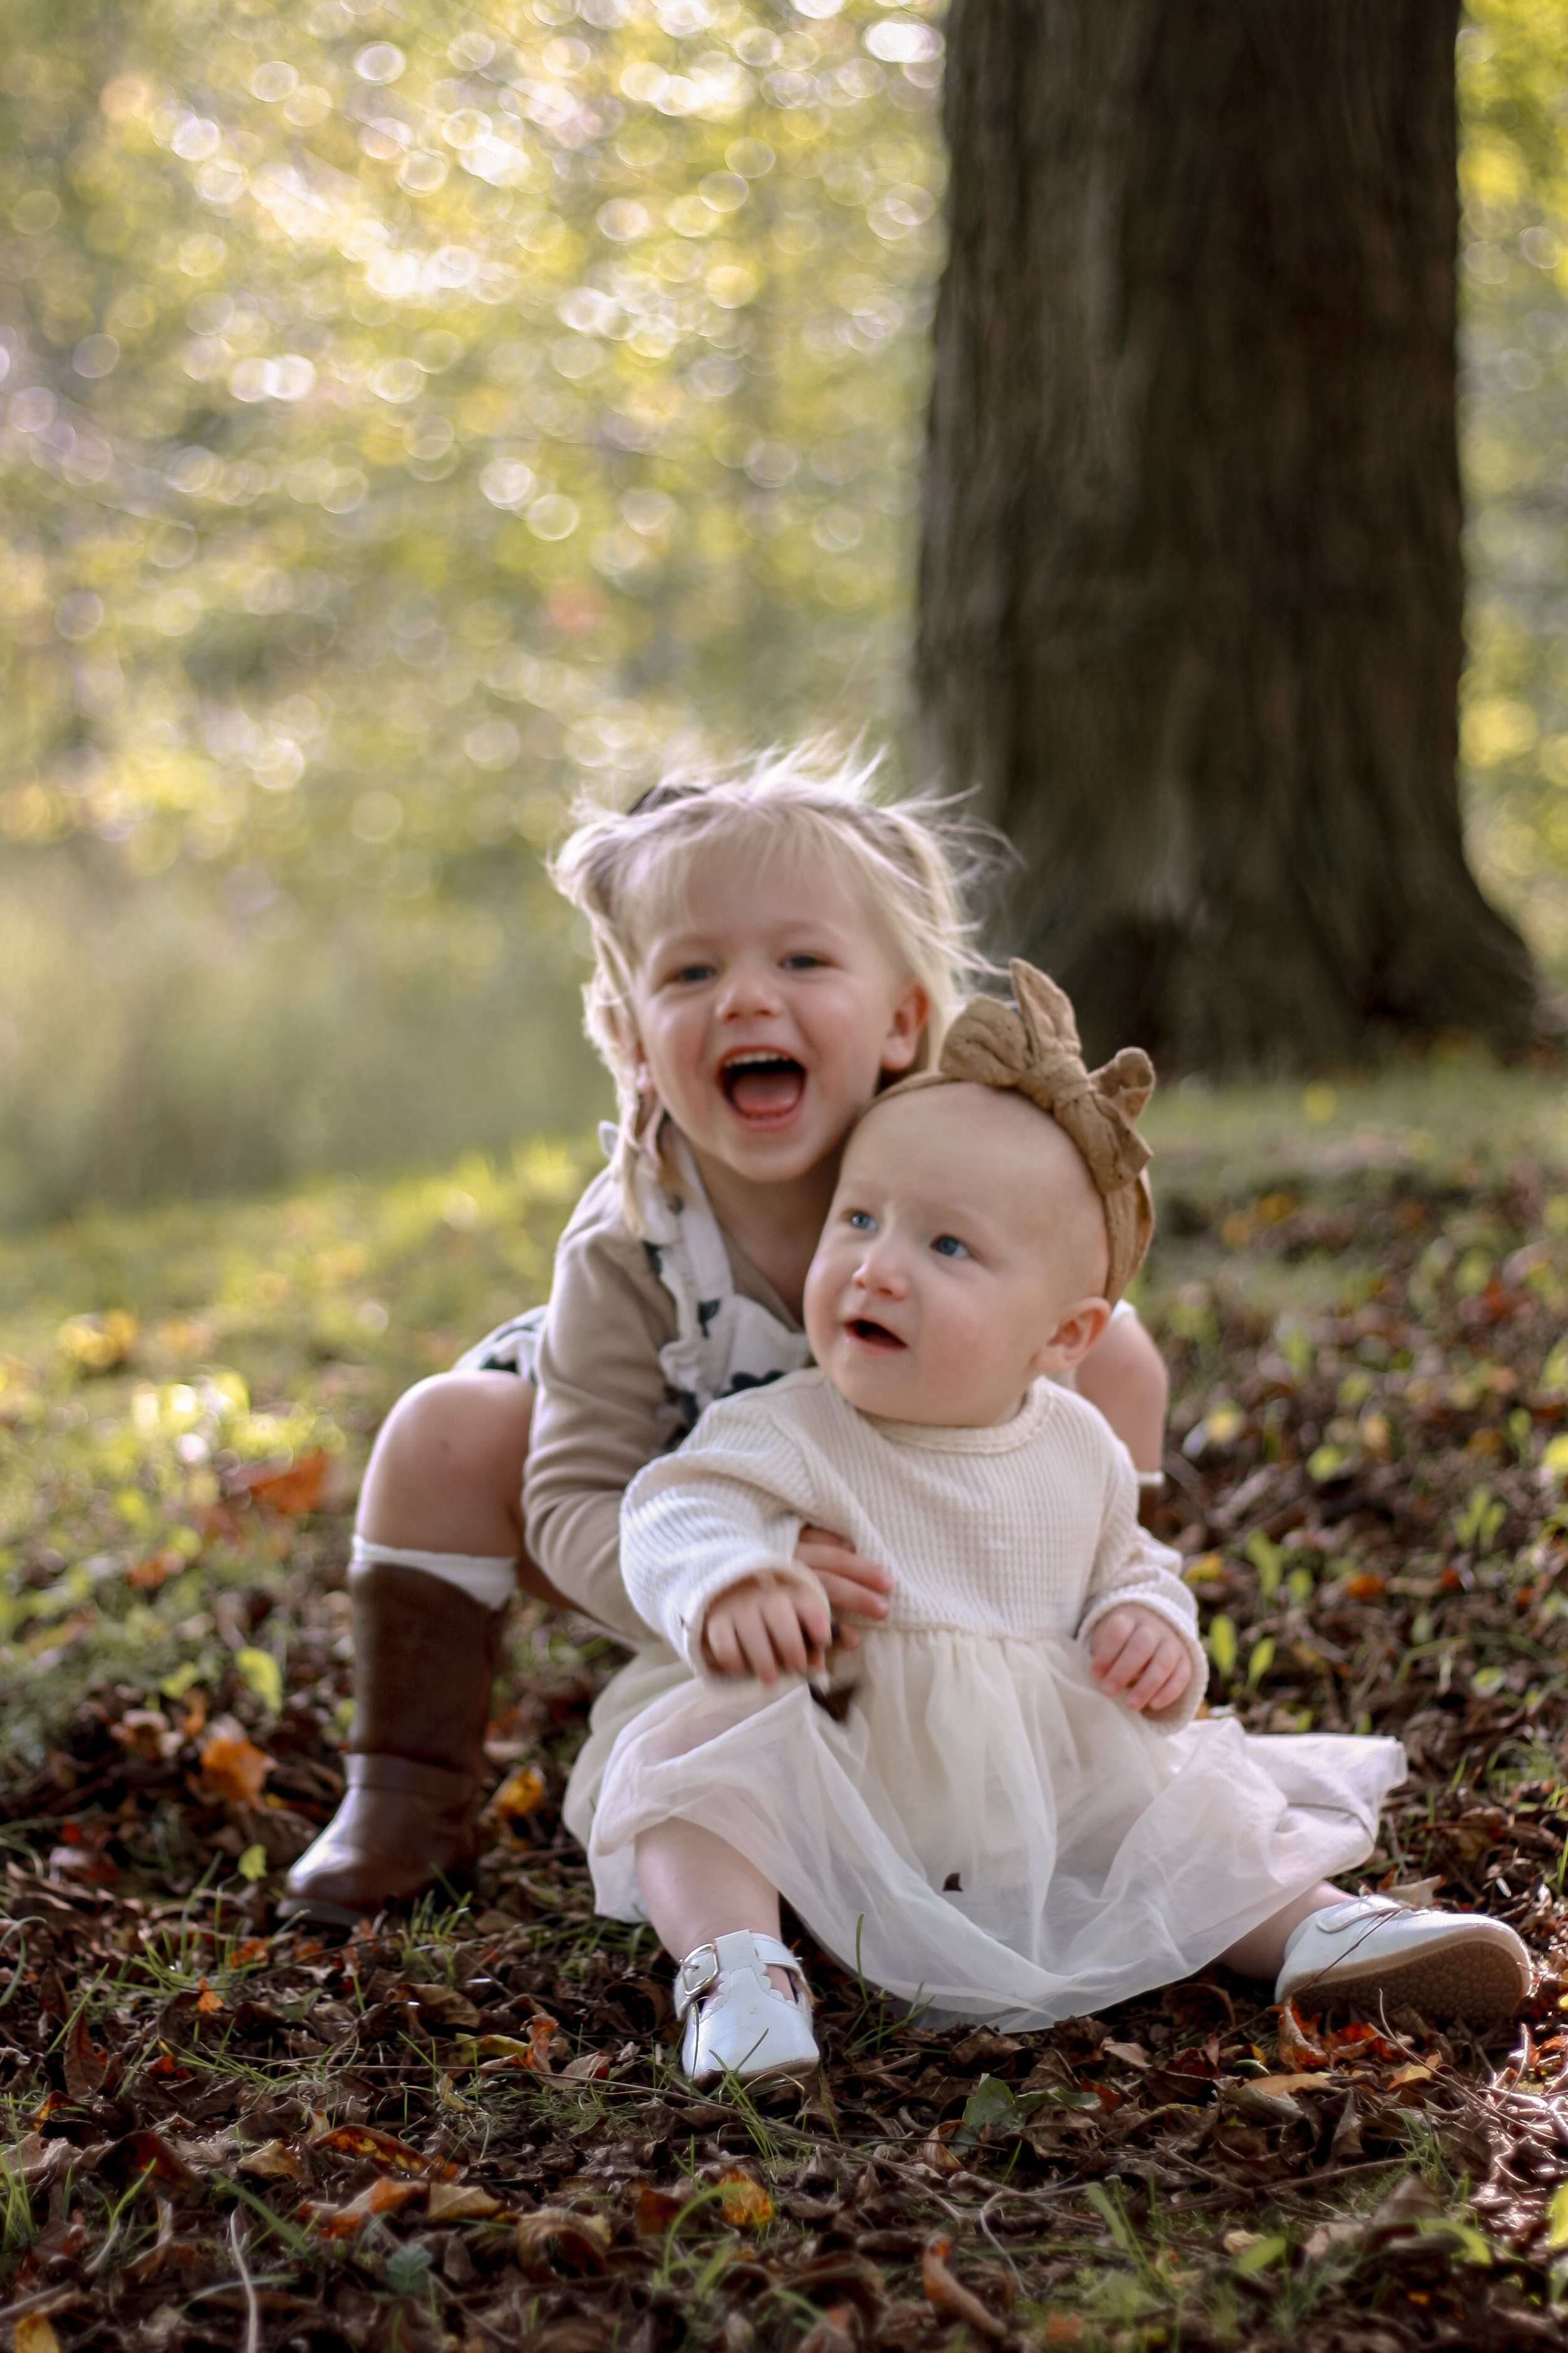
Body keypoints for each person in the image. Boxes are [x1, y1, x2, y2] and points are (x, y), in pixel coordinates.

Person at [586, 963, 1533, 2089]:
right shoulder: (789, 1425)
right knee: (691, 1786)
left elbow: (1129, 1561)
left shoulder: (1077, 1445)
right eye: (860, 1218)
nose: (877, 1268)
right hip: (833, 1756)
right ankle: (738, 1971)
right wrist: (731, 1576)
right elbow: (676, 1503)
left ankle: (1313, 1926)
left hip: (1028, 1777)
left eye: (947, 1247)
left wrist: (1146, 1622)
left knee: (1177, 1808)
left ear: (1065, 1335)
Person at [281, 752, 1170, 1924]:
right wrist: (721, 1579)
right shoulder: (635, 1239)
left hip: (922, 1504)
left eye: (802, 961)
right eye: (691, 971)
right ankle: (405, 1797)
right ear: (632, 1038)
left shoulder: (970, 1166)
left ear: (903, 1020)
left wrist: (1122, 1604)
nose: (747, 999)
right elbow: (571, 1500)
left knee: (1114, 1355)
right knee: (444, 1431)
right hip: (680, 1514)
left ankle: (1093, 1670)